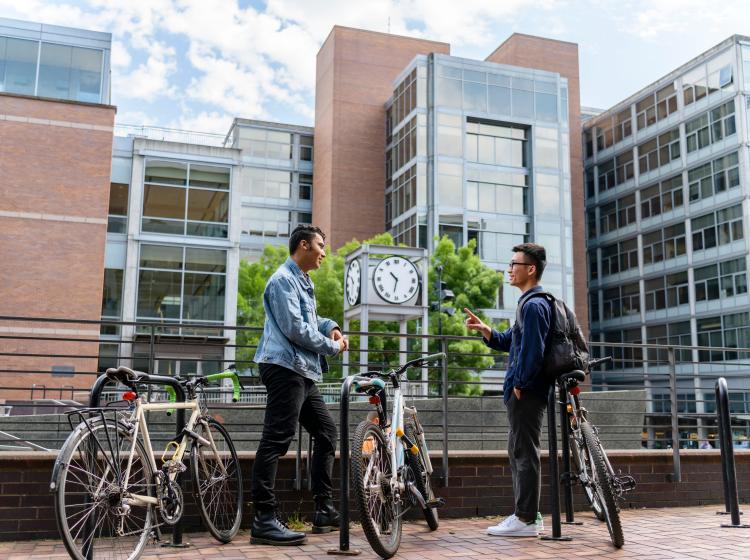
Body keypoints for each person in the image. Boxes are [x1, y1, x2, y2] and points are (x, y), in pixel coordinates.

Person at [250, 225, 349, 546]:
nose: (324, 252)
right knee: (277, 439)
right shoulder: (282, 280)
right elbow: (294, 329)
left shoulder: (302, 281)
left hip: (302, 371)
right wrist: (332, 346)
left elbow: (308, 321)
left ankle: (324, 510)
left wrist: (330, 327)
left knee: (326, 432)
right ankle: (264, 519)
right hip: (284, 367)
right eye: (321, 246)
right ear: (304, 245)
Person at [464, 243, 552, 537]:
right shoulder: (528, 304)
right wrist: (486, 330)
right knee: (519, 451)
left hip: (526, 392)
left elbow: (533, 352)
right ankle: (529, 515)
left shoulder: (534, 305)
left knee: (524, 453)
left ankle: (525, 519)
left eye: (514, 264)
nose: (509, 269)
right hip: (524, 390)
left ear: (530, 269)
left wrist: (520, 384)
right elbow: (511, 341)